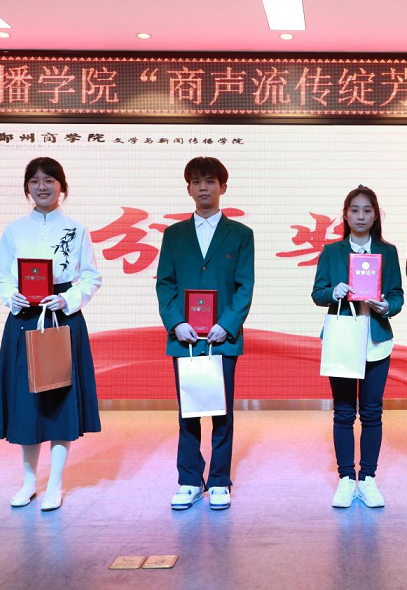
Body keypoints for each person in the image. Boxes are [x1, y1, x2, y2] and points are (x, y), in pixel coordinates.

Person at [0, 157, 102, 512]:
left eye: (49, 180)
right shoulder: (14, 230)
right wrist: (11, 295)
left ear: (62, 187)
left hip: (61, 320)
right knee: (27, 405)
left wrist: (67, 299)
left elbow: (92, 276)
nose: (42, 186)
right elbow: (2, 273)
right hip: (24, 319)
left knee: (59, 404)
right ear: (27, 188)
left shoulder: (76, 229)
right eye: (35, 181)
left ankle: (55, 484)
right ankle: (28, 483)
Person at [156, 156, 254, 511]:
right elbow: (165, 284)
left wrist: (225, 325)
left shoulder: (241, 234)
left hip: (222, 339)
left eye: (210, 181)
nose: (203, 188)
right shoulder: (173, 235)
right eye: (196, 181)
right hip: (184, 339)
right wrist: (176, 323)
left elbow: (244, 286)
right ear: (188, 189)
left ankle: (219, 481)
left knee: (222, 413)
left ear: (222, 187)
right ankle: (188, 480)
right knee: (189, 412)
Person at [311, 186, 404, 509]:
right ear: (345, 215)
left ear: (375, 215)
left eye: (367, 210)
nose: (360, 216)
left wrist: (386, 306)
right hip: (342, 340)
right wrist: (332, 292)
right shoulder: (332, 252)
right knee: (343, 413)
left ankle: (368, 478)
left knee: (372, 412)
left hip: (375, 341)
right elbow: (317, 293)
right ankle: (346, 478)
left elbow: (398, 295)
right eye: (354, 210)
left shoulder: (387, 251)